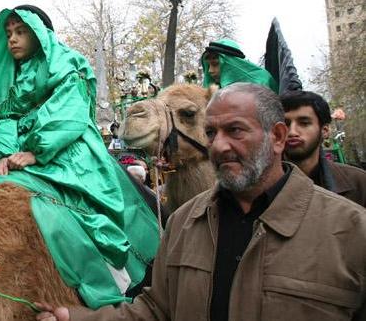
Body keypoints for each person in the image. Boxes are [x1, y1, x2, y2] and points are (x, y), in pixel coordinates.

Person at [36, 83, 366, 321]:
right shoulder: (183, 224)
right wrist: (73, 317)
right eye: (210, 133)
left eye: (235, 130)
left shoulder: (351, 231)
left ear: (277, 138)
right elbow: (155, 310)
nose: (219, 146)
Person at [0, 5, 160, 308]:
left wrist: (37, 151)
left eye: (20, 31)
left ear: (40, 35)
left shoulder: (67, 62)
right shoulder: (9, 77)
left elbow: (69, 110)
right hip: (22, 152)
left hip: (68, 148)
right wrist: (3, 154)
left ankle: (116, 279)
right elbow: (4, 117)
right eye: (9, 33)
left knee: (80, 208)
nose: (12, 39)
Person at [281, 90, 366, 207]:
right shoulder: (258, 185)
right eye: (285, 124)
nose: (292, 132)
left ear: (324, 131)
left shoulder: (359, 183)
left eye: (304, 123)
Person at [201, 39, 277, 92]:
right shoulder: (216, 89)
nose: (210, 71)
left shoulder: (262, 81)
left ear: (231, 64)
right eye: (208, 65)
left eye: (215, 64)